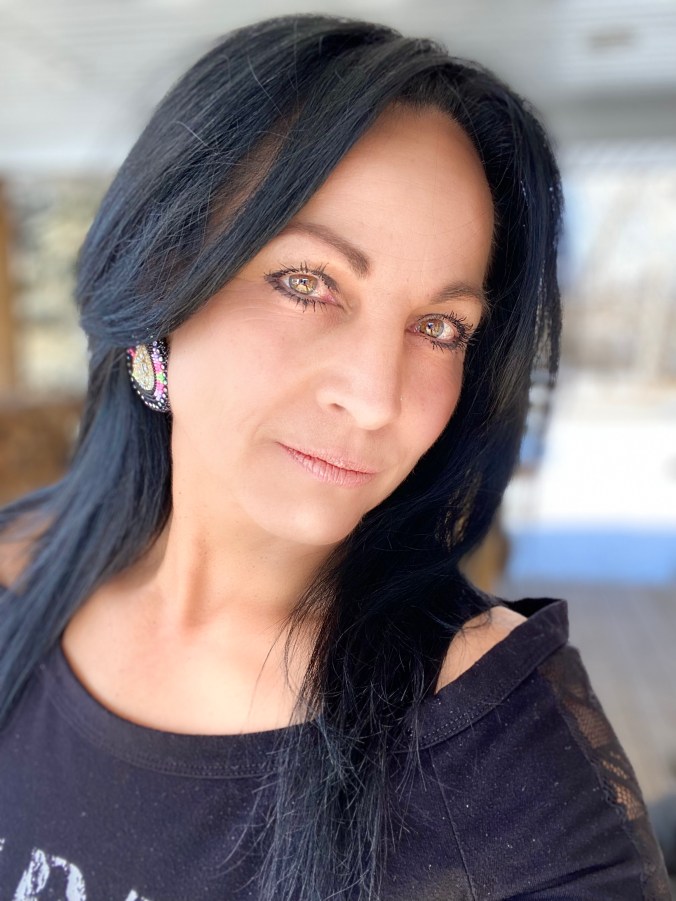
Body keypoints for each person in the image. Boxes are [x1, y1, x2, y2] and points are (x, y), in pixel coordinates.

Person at [0, 14, 670, 901]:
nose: (377, 397)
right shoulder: (14, 573)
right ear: (160, 281)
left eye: (440, 327)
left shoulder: (490, 722)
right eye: (307, 282)